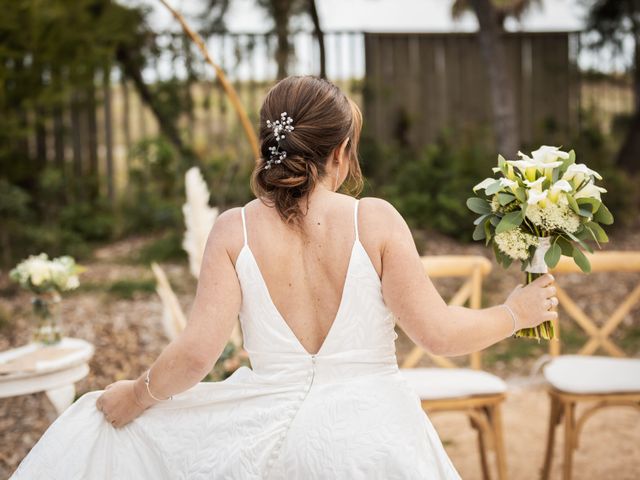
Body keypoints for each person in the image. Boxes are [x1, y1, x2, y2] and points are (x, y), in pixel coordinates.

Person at [11, 76, 557, 479]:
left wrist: (133, 396)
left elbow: (198, 355)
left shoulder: (233, 231)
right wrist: (516, 312)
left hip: (269, 444)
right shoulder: (376, 219)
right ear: (341, 152)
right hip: (377, 442)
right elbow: (438, 334)